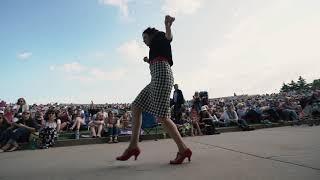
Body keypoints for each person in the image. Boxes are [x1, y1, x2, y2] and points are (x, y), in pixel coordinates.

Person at [116, 15, 192, 165]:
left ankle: (183, 149)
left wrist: (168, 26)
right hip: (158, 76)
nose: (144, 42)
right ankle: (133, 146)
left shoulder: (159, 37)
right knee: (136, 106)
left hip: (162, 76)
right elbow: (158, 60)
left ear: (151, 35)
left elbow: (168, 38)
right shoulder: (154, 49)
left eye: (145, 38)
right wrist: (148, 61)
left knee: (162, 116)